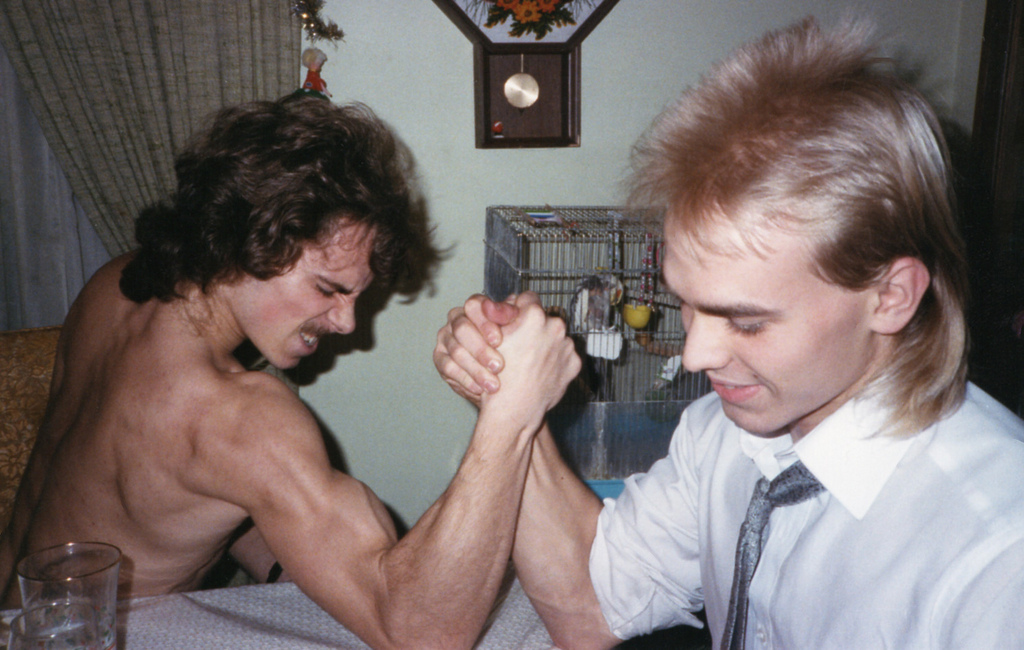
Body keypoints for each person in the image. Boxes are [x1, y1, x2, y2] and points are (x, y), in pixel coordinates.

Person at [434, 18, 1024, 649]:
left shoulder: (997, 555)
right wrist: (510, 401)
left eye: (747, 320)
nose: (696, 354)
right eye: (684, 303)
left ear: (891, 296)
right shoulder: (724, 436)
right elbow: (591, 604)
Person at [0, 95, 582, 649]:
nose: (348, 322)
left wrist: (287, 560)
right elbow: (423, 635)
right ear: (250, 239)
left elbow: (169, 497)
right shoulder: (239, 420)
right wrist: (510, 411)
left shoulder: (117, 286)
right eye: (329, 289)